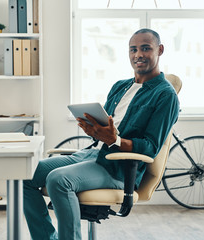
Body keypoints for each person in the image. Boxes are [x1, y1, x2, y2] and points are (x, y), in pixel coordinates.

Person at [23, 28, 180, 240]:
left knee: (59, 180)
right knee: (25, 175)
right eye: (133, 49)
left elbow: (150, 147)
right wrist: (94, 130)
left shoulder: (165, 95)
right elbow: (105, 128)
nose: (138, 55)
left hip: (119, 168)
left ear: (159, 50)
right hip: (92, 154)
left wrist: (113, 139)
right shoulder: (120, 86)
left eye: (145, 48)